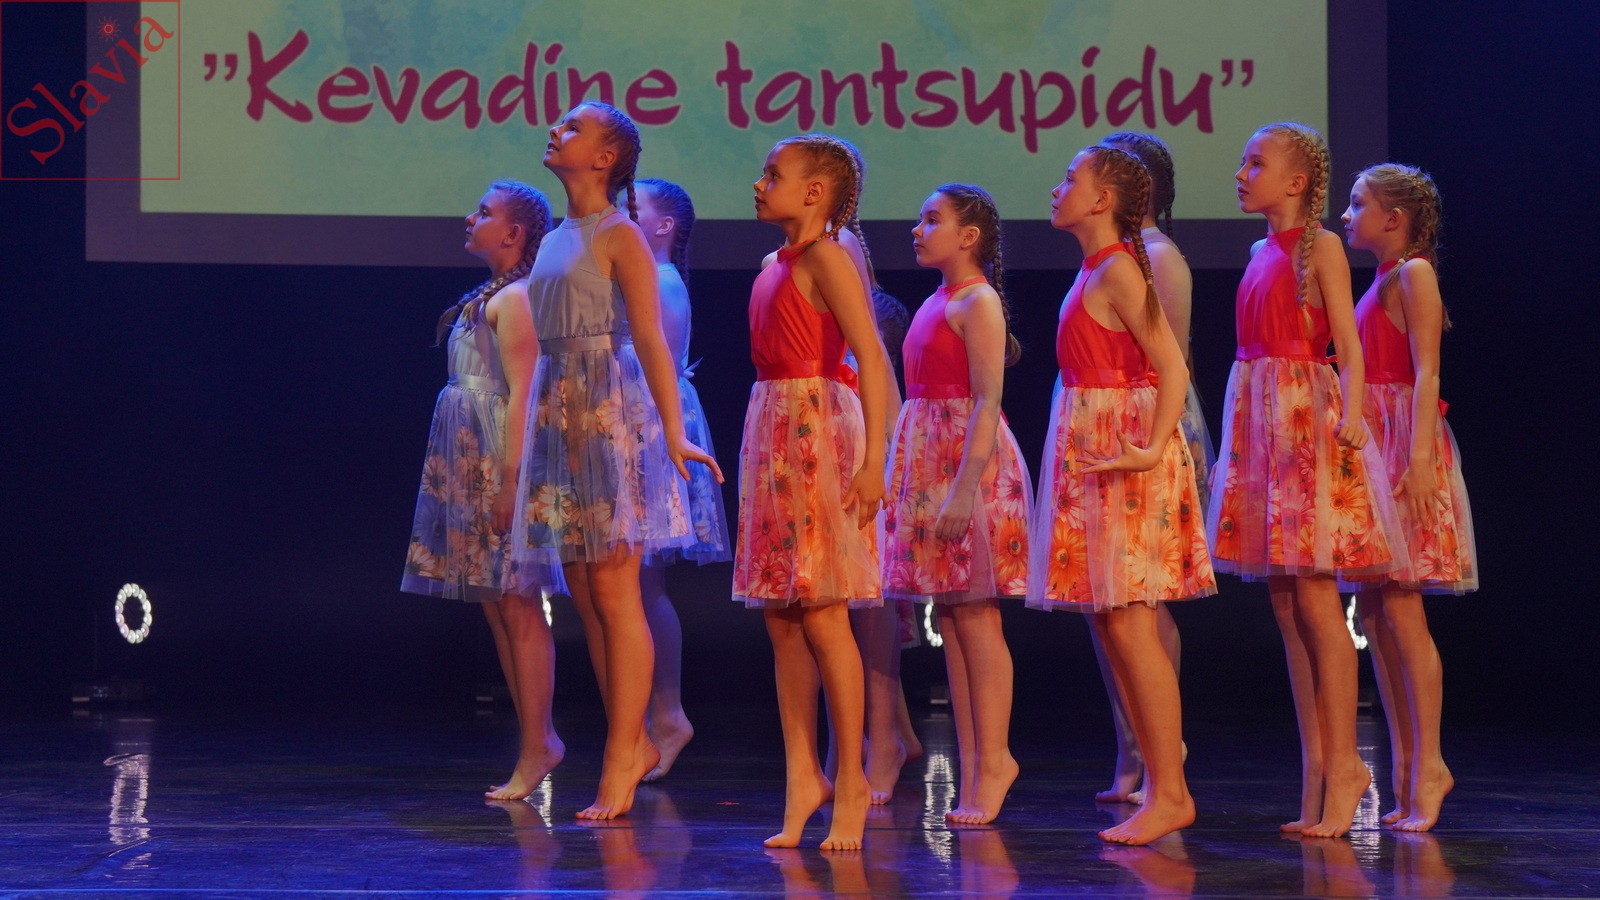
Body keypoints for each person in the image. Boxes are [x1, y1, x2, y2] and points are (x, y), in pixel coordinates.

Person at [510, 102, 721, 820]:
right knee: (583, 589)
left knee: (616, 585)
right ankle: (627, 740)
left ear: (605, 158)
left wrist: (673, 431)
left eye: (572, 128)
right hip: (559, 410)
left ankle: (624, 751)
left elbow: (652, 341)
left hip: (609, 409)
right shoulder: (555, 237)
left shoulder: (619, 233)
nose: (555, 131)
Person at [1208, 122, 1403, 837]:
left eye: (1255, 163)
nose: (1241, 173)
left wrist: (1351, 416)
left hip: (1303, 422)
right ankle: (1317, 769)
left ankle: (1346, 764)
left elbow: (1347, 345)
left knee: (1317, 601)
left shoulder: (1320, 247)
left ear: (1295, 182)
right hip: (1259, 418)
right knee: (1287, 606)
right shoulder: (1258, 251)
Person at [1027, 145, 1215, 845]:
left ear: (1102, 201)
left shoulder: (1121, 269)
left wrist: (1153, 445)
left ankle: (1172, 792)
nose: (1057, 189)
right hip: (1096, 450)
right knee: (1113, 625)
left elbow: (1172, 365)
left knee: (1133, 625)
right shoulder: (1096, 269)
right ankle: (1160, 785)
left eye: (1070, 180)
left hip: (1124, 454)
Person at [734, 133, 894, 850]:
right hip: (773, 427)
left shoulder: (828, 255)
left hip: (817, 430)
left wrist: (874, 460)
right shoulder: (774, 264)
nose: (759, 184)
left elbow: (873, 358)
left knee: (826, 613)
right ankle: (803, 774)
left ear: (814, 192)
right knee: (781, 616)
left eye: (773, 174)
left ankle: (851, 778)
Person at [401, 181, 563, 802]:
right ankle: (535, 739)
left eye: (485, 212)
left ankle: (539, 743)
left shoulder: (517, 299)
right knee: (498, 605)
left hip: (499, 459)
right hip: (471, 459)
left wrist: (511, 484)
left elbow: (523, 394)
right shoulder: (492, 295)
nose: (471, 218)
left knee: (518, 603)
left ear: (514, 233)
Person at [884, 183, 1030, 825]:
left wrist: (964, 491)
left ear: (969, 237)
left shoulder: (978, 301)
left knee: (977, 618)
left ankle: (995, 760)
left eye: (932, 219)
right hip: (929, 462)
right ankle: (975, 766)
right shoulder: (936, 300)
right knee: (953, 617)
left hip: (965, 467)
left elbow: (988, 401)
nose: (918, 230)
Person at [1341, 163, 1476, 832]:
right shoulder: (1383, 278)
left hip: (1404, 447)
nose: (1346, 215)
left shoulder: (1415, 274)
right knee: (1374, 612)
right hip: (1377, 443)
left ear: (1394, 218)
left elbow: (1428, 373)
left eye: (1358, 204)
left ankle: (1430, 765)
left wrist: (1419, 461)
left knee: (1401, 608)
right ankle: (1404, 768)